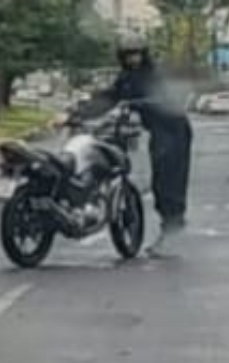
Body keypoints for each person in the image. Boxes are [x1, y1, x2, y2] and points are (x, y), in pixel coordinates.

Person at [80, 32, 194, 253]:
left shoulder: (155, 75)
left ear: (144, 54)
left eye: (137, 54)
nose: (133, 59)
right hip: (157, 131)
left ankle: (174, 230)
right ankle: (170, 229)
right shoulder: (126, 78)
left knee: (169, 181)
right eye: (128, 55)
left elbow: (164, 100)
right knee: (159, 181)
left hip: (173, 129)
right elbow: (109, 98)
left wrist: (135, 103)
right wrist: (79, 112)